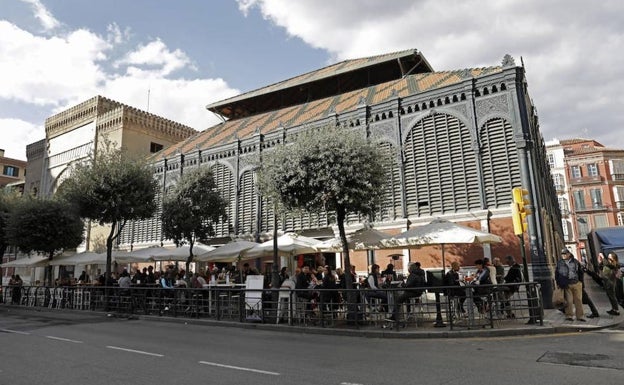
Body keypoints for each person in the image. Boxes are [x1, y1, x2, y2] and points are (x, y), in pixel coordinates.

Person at [555, 248, 585, 322]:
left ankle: (580, 316)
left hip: (576, 283)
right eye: (562, 254)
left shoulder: (575, 262)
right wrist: (558, 283)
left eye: (565, 254)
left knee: (578, 300)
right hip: (567, 284)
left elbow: (580, 272)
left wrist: (581, 282)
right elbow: (557, 274)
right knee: (569, 301)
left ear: (569, 254)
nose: (563, 255)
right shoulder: (560, 263)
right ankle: (569, 315)